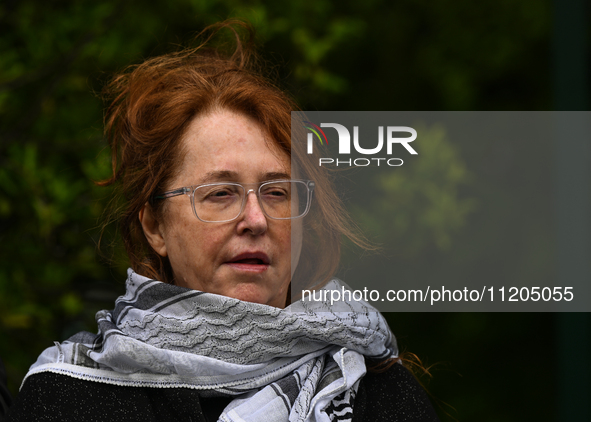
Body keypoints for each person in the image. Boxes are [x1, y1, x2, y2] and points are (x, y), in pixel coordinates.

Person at [5, 21, 439, 422]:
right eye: (220, 194)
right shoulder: (67, 399)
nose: (256, 219)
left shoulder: (377, 393)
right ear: (155, 226)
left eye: (276, 192)